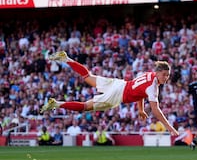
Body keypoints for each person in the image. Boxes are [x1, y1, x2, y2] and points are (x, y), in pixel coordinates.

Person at [40, 51, 178, 136]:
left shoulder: (150, 74)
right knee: (85, 106)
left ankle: (66, 59)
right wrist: (170, 128)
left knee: (88, 77)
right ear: (158, 72)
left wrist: (141, 109)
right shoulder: (153, 87)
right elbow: (156, 109)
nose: (166, 77)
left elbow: (140, 92)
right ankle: (57, 104)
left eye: (168, 75)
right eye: (164, 74)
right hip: (118, 95)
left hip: (119, 84)